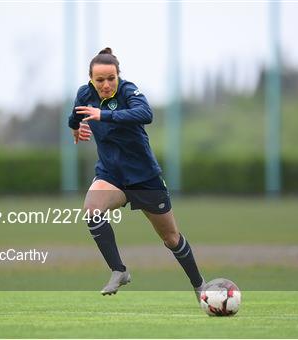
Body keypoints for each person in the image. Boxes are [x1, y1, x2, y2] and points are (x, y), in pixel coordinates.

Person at [68, 47, 205, 300]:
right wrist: (76, 129)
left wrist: (104, 115)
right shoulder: (84, 93)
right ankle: (118, 270)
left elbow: (146, 114)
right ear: (91, 79)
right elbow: (75, 115)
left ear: (118, 75)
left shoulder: (130, 91)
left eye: (111, 78)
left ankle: (199, 286)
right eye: (100, 80)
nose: (107, 84)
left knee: (171, 238)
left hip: (144, 177)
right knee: (91, 210)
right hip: (111, 174)